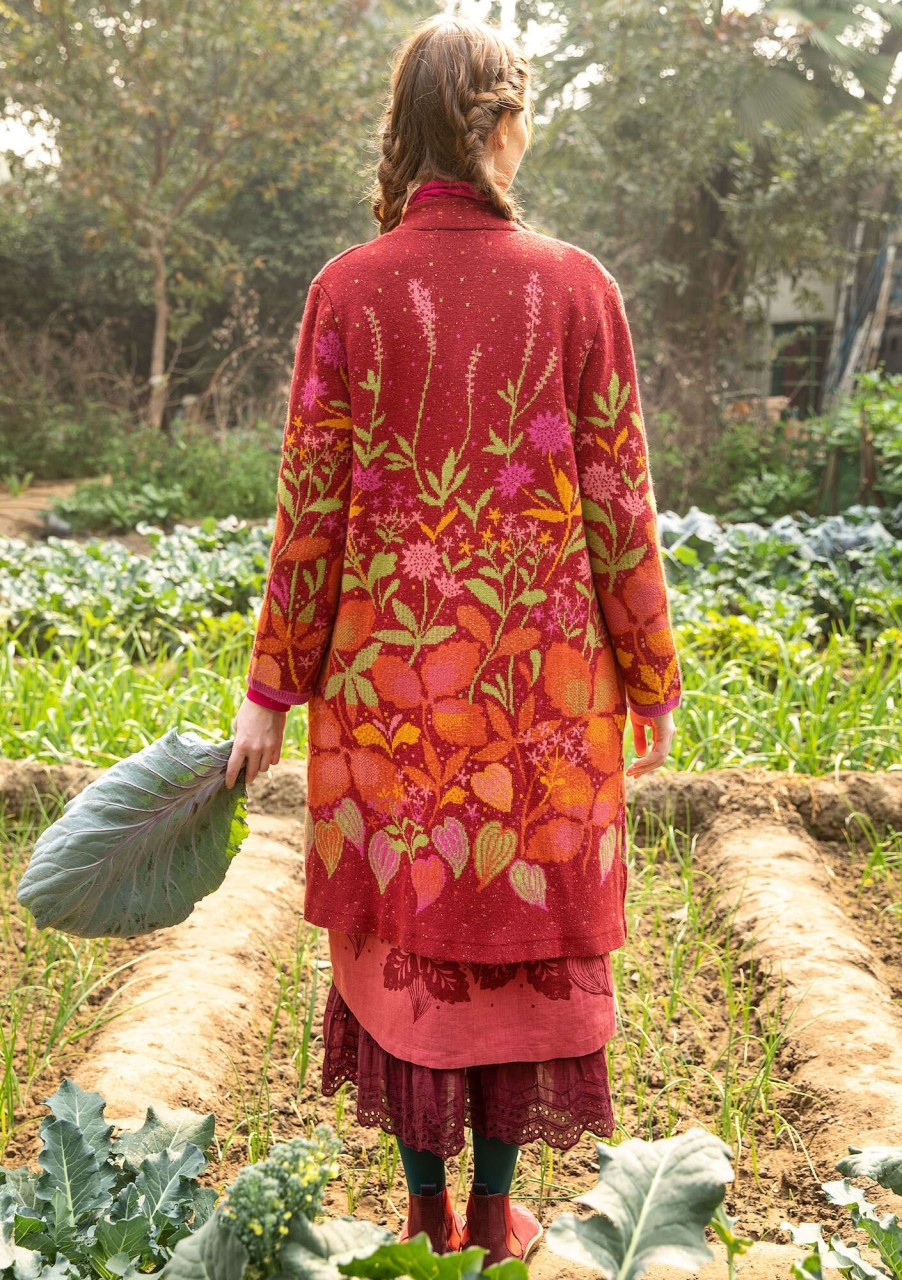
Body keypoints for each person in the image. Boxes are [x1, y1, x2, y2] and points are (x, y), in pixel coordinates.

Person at [226, 12, 681, 1268]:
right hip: (543, 694)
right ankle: (489, 1213)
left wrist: (274, 687)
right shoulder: (578, 287)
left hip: (389, 691)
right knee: (513, 936)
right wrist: (646, 673)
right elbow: (617, 503)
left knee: (409, 933)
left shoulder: (346, 289)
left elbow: (308, 510)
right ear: (496, 122)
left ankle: (422, 1212)